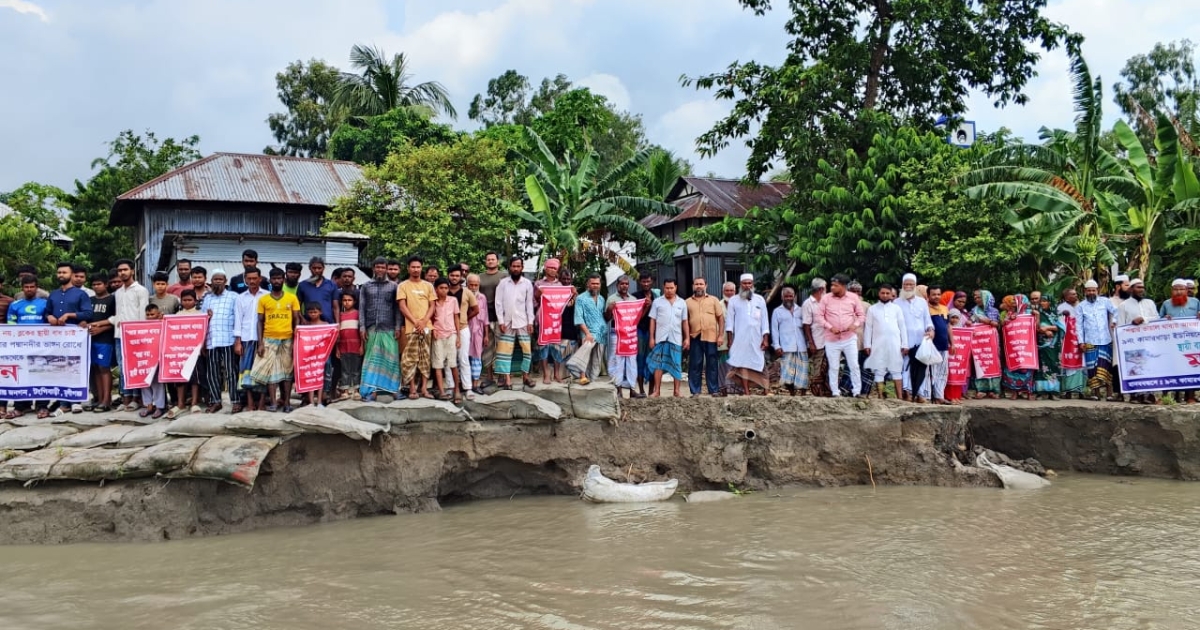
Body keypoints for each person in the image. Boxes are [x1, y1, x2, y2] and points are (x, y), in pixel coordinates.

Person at [46, 261, 94, 415]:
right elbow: (46, 313)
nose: (61, 275)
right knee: (59, 368)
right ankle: (63, 403)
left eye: (64, 272)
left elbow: (88, 313)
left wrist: (69, 315)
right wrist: (50, 317)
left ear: (72, 275)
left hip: (75, 339)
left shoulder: (81, 294)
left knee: (74, 368)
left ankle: (75, 401)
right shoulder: (53, 294)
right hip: (56, 339)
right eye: (59, 272)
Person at [252, 268, 300, 412]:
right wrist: (260, 343)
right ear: (270, 280)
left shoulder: (292, 298)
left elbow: (296, 318)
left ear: (283, 279)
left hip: (287, 339)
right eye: (274, 279)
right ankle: (273, 403)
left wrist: (295, 339)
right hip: (269, 339)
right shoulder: (264, 299)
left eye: (279, 278)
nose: (277, 281)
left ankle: (286, 403)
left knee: (287, 374)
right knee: (270, 372)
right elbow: (260, 321)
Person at [5, 275, 49, 420]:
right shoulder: (15, 304)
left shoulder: (45, 303)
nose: (29, 290)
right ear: (22, 288)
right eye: (26, 287)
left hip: (41, 346)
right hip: (21, 347)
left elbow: (50, 323)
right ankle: (19, 407)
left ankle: (42, 406)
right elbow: (11, 324)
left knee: (41, 375)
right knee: (22, 376)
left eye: (32, 287)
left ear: (37, 288)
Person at [359, 257, 402, 402]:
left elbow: (397, 309)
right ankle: (371, 392)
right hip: (371, 328)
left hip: (389, 328)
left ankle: (394, 390)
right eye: (377, 267)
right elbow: (362, 308)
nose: (380, 270)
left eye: (383, 267)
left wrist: (397, 327)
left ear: (386, 269)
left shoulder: (393, 287)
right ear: (373, 268)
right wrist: (362, 327)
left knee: (391, 360)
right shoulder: (365, 286)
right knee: (372, 361)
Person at [109, 258, 149, 412]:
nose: (122, 273)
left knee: (135, 365)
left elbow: (142, 315)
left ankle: (136, 397)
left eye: (125, 270)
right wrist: (113, 322)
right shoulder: (118, 293)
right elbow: (118, 314)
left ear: (132, 271)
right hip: (119, 335)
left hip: (135, 335)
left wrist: (140, 334)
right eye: (120, 271)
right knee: (123, 366)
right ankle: (125, 397)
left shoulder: (141, 290)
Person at [297, 256, 340, 398]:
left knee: (325, 362)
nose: (316, 271)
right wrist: (302, 320)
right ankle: (306, 396)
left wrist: (337, 325)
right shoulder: (303, 285)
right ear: (310, 268)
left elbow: (335, 306)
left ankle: (325, 393)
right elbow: (297, 306)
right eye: (314, 268)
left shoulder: (331, 285)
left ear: (323, 268)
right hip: (309, 331)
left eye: (319, 268)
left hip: (327, 329)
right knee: (309, 362)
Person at [816, 274, 865, 398]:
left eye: (835, 285)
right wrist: (830, 327)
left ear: (843, 286)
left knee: (854, 365)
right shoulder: (826, 298)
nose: (832, 287)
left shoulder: (853, 298)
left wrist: (855, 325)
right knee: (834, 366)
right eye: (831, 285)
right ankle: (835, 392)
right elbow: (819, 316)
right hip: (831, 339)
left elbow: (861, 316)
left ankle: (856, 391)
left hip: (849, 338)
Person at [494, 256, 536, 390]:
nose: (516, 268)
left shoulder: (527, 283)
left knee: (526, 350)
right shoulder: (503, 283)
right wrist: (501, 321)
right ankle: (507, 379)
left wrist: (530, 321)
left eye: (518, 266)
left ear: (522, 268)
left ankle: (526, 377)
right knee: (505, 351)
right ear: (510, 267)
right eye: (514, 266)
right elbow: (498, 303)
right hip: (506, 322)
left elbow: (529, 304)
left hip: (523, 321)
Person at [725, 273, 770, 395]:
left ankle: (766, 390)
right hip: (740, 338)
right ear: (740, 285)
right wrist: (730, 340)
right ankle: (746, 391)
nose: (747, 286)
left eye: (749, 283)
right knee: (743, 364)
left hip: (757, 338)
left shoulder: (760, 300)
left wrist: (765, 339)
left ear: (752, 284)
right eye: (744, 283)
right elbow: (729, 322)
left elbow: (765, 321)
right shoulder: (734, 301)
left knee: (760, 363)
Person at [398, 256, 435, 399]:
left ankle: (424, 389)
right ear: (408, 268)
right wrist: (415, 321)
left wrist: (424, 321)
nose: (415, 269)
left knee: (425, 358)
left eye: (418, 267)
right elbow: (402, 305)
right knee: (410, 359)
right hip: (410, 328)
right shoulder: (403, 285)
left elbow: (432, 305)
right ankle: (412, 388)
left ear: (422, 268)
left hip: (426, 328)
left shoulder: (428, 286)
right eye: (413, 267)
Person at [201, 269, 238, 414]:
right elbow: (203, 320)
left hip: (228, 339)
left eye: (220, 279)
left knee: (231, 372)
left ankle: (235, 401)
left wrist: (237, 340)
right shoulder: (207, 298)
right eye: (215, 279)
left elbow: (238, 318)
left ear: (225, 281)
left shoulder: (233, 297)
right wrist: (203, 342)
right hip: (211, 340)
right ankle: (216, 401)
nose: (217, 282)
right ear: (211, 281)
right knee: (212, 373)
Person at [1117, 278, 1160, 404]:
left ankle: (1148, 394)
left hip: (1149, 340)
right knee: (1134, 367)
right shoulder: (1123, 305)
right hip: (1132, 342)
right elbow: (1120, 325)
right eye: (1138, 287)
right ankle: (1134, 395)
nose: (1141, 290)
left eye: (1142, 287)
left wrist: (1144, 319)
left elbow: (1157, 318)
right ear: (1131, 289)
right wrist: (1131, 323)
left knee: (1149, 367)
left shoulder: (1150, 303)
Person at [1160, 278, 1200, 404]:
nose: (1178, 292)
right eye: (1176, 289)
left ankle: (1190, 397)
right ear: (1172, 290)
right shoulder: (1166, 304)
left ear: (1186, 290)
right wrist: (1164, 319)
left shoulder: (1196, 302)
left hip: (1190, 343)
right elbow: (1158, 321)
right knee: (1169, 367)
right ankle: (1166, 396)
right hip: (1171, 343)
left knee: (1190, 367)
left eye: (1181, 289)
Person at [648, 279, 689, 398]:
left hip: (676, 338)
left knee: (676, 364)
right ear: (663, 287)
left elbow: (684, 321)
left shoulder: (682, 303)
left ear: (676, 287)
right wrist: (651, 338)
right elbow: (652, 320)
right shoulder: (657, 302)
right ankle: (657, 391)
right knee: (658, 364)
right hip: (660, 338)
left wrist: (687, 338)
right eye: (667, 288)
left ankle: (676, 391)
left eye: (671, 288)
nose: (669, 290)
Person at [233, 267, 267, 413]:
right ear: (245, 280)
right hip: (246, 339)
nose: (252, 281)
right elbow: (238, 320)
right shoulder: (241, 298)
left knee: (263, 371)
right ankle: (250, 401)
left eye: (255, 278)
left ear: (260, 279)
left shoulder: (267, 296)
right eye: (249, 279)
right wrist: (238, 341)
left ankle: (262, 402)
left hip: (263, 340)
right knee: (245, 372)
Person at [1077, 279, 1118, 401]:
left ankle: (1110, 394)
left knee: (1106, 367)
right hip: (1090, 341)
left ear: (1097, 291)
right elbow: (1078, 325)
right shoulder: (1081, 306)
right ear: (1085, 291)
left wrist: (1114, 321)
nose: (1091, 292)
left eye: (1093, 290)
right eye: (1088, 290)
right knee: (1092, 368)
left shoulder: (1105, 302)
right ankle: (1096, 393)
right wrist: (1081, 341)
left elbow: (1116, 311)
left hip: (1105, 339)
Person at [897, 273, 934, 401]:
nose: (908, 287)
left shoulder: (922, 302)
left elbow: (927, 320)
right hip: (903, 341)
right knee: (905, 366)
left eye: (911, 284)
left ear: (915, 286)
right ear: (902, 286)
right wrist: (902, 343)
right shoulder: (896, 303)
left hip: (920, 340)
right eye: (906, 284)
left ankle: (920, 393)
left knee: (921, 367)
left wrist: (931, 330)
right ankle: (907, 392)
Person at [864, 284, 905, 399]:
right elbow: (868, 328)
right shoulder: (872, 309)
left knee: (896, 370)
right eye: (883, 293)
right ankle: (881, 396)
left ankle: (899, 398)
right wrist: (867, 344)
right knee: (879, 370)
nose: (885, 295)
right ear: (879, 294)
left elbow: (902, 327)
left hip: (895, 344)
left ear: (892, 295)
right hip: (878, 344)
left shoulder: (896, 309)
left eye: (888, 293)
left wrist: (905, 344)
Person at [168, 289, 205, 417]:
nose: (187, 302)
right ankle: (180, 404)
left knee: (195, 379)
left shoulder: (201, 315)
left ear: (195, 301)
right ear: (181, 301)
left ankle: (194, 402)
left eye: (190, 300)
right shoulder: (177, 315)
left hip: (195, 353)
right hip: (180, 353)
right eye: (184, 300)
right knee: (180, 379)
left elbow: (203, 332)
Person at [687, 277, 726, 397]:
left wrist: (720, 336)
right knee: (695, 364)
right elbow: (685, 321)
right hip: (695, 337)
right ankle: (695, 391)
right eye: (696, 284)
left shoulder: (713, 300)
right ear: (693, 286)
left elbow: (720, 318)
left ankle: (713, 390)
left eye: (701, 284)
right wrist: (686, 338)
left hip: (711, 337)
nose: (699, 286)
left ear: (706, 286)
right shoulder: (687, 302)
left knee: (712, 364)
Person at [446, 265, 479, 397]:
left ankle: (468, 388)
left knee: (463, 358)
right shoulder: (443, 290)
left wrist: (463, 319)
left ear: (461, 277)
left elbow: (476, 309)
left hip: (463, 329)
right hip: (446, 330)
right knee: (449, 360)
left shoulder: (467, 292)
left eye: (457, 276)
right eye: (452, 275)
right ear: (448, 275)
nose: (454, 278)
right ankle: (450, 387)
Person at [604, 275, 639, 395]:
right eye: (622, 284)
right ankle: (618, 388)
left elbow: (637, 318)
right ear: (617, 285)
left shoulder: (633, 299)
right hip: (616, 333)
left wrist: (645, 307)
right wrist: (609, 309)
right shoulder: (611, 299)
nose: (624, 286)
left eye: (626, 284)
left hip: (630, 335)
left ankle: (632, 389)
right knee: (617, 361)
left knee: (631, 361)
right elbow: (606, 318)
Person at [533, 258, 566, 384]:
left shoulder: (560, 285)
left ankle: (557, 374)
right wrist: (538, 293)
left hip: (556, 320)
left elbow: (563, 302)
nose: (552, 270)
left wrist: (573, 294)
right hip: (542, 318)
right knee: (543, 346)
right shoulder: (538, 283)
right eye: (550, 267)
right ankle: (546, 374)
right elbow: (534, 301)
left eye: (555, 268)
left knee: (557, 346)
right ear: (545, 268)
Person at [429, 278, 462, 402]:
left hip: (451, 334)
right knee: (438, 364)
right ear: (436, 289)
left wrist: (458, 336)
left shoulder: (453, 300)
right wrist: (433, 330)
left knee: (453, 363)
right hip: (438, 335)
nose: (444, 290)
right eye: (441, 288)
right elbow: (430, 317)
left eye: (446, 288)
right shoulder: (433, 302)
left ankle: (457, 390)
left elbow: (456, 318)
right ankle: (442, 392)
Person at [87, 272, 116, 413]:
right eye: (94, 285)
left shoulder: (112, 299)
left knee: (104, 368)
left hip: (106, 339)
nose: (96, 287)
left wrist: (101, 329)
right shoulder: (90, 300)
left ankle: (106, 400)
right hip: (91, 339)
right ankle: (99, 398)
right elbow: (85, 317)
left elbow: (116, 320)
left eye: (99, 284)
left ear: (106, 284)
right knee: (96, 368)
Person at [771, 286, 807, 396]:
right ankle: (792, 394)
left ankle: (803, 395)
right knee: (788, 373)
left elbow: (806, 328)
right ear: (782, 297)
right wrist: (777, 346)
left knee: (802, 373)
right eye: (786, 296)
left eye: (790, 296)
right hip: (786, 347)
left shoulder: (800, 310)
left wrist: (809, 343)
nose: (788, 298)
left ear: (794, 297)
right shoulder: (777, 312)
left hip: (801, 346)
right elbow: (774, 330)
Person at [999, 295, 1035, 400]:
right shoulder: (1009, 313)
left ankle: (1028, 392)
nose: (1014, 302)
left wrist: (1036, 316)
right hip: (1013, 345)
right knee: (1013, 367)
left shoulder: (1029, 313)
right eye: (1013, 300)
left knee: (1026, 368)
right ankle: (1014, 392)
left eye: (1016, 300)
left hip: (1026, 345)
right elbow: (1002, 325)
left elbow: (1035, 326)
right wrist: (1008, 319)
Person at [632, 271, 661, 396]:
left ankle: (651, 391)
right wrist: (645, 307)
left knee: (653, 360)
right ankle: (641, 390)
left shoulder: (657, 296)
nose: (646, 284)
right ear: (640, 282)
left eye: (648, 281)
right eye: (643, 281)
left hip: (654, 332)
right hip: (639, 331)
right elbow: (634, 319)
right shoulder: (635, 297)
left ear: (652, 282)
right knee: (640, 359)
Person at [477, 251, 504, 385]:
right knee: (487, 346)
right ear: (485, 262)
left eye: (493, 259)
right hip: (484, 316)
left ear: (497, 261)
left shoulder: (504, 276)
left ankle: (501, 376)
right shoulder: (479, 277)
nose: (491, 261)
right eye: (488, 260)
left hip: (501, 317)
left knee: (501, 346)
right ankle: (489, 376)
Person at [970, 289, 1002, 398]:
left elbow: (998, 325)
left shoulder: (994, 311)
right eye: (975, 297)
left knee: (993, 362)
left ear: (985, 298)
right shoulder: (974, 311)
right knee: (980, 363)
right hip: (979, 342)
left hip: (991, 341)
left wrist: (989, 322)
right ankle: (981, 389)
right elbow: (970, 323)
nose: (976, 299)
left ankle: (994, 389)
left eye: (979, 297)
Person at [801, 278, 830, 397]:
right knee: (817, 369)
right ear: (821, 289)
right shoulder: (808, 304)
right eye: (826, 288)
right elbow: (806, 325)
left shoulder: (826, 302)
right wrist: (811, 343)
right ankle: (817, 393)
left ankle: (826, 392)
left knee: (828, 369)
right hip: (817, 341)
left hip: (828, 341)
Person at [138, 304, 167, 419]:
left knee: (157, 382)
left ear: (158, 314)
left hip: (157, 358)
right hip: (144, 358)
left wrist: (163, 320)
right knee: (144, 382)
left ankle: (160, 406)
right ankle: (148, 405)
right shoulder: (141, 326)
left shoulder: (163, 324)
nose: (150, 317)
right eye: (148, 314)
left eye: (152, 314)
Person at [1035, 293, 1066, 400]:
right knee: (1042, 366)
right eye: (1041, 301)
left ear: (1050, 302)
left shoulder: (1057, 313)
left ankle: (1054, 391)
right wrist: (1042, 330)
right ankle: (1042, 392)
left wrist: (1048, 328)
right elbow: (1035, 327)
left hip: (1054, 345)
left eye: (1045, 301)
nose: (1042, 303)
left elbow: (1061, 327)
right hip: (1042, 345)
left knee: (1053, 364)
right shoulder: (1038, 313)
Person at [300, 302, 329, 408]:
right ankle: (311, 402)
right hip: (309, 357)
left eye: (315, 312)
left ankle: (320, 401)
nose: (313, 314)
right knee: (311, 379)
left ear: (320, 312)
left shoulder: (326, 325)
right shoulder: (306, 325)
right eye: (310, 312)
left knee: (320, 378)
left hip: (321, 356)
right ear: (307, 313)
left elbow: (329, 339)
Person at [926, 286, 952, 404]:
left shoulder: (944, 308)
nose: (936, 296)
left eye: (938, 294)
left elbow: (948, 326)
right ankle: (929, 396)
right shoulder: (925, 309)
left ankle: (939, 396)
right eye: (933, 294)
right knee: (931, 372)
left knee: (943, 371)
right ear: (928, 296)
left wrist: (953, 343)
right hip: (932, 345)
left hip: (944, 345)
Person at [336, 292, 363, 400]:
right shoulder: (339, 316)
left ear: (354, 302)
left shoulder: (358, 314)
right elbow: (337, 334)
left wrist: (362, 346)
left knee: (356, 369)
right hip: (343, 346)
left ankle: (356, 390)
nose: (347, 302)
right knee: (345, 369)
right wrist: (337, 348)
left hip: (356, 346)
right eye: (344, 300)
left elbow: (361, 332)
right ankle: (345, 391)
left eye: (349, 300)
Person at [466, 273, 489, 394]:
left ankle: (475, 384)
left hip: (478, 332)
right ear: (467, 284)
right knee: (464, 358)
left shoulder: (482, 298)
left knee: (477, 358)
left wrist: (486, 335)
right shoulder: (463, 296)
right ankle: (466, 385)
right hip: (465, 330)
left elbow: (485, 318)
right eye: (471, 285)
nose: (473, 287)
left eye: (476, 285)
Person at [556, 268, 578, 376]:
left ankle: (571, 377)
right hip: (559, 331)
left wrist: (574, 294)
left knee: (571, 357)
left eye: (568, 279)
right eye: (563, 279)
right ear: (559, 279)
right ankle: (560, 377)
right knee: (560, 357)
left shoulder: (575, 294)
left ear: (571, 280)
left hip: (572, 330)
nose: (566, 281)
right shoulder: (555, 293)